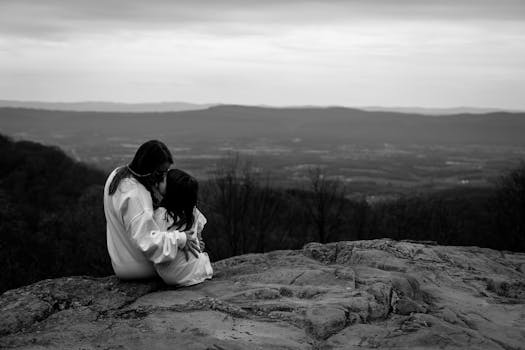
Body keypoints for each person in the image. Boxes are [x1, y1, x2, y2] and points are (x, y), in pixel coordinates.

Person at [103, 140, 200, 279]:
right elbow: (147, 242)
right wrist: (182, 238)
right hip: (140, 269)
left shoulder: (117, 175)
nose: (164, 177)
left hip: (122, 263)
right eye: (161, 173)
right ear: (149, 169)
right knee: (189, 259)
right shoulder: (136, 195)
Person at [154, 169, 213, 286]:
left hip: (170, 275)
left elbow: (154, 241)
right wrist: (198, 242)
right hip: (197, 271)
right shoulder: (192, 211)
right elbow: (199, 235)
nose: (160, 180)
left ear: (171, 190)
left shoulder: (161, 214)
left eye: (164, 180)